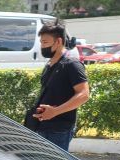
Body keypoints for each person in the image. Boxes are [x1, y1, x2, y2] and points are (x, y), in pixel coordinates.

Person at [31, 20, 90, 151]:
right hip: (41, 127)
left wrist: (55, 111)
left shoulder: (72, 64)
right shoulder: (50, 65)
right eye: (41, 42)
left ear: (58, 42)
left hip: (58, 131)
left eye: (45, 42)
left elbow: (84, 94)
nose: (42, 46)